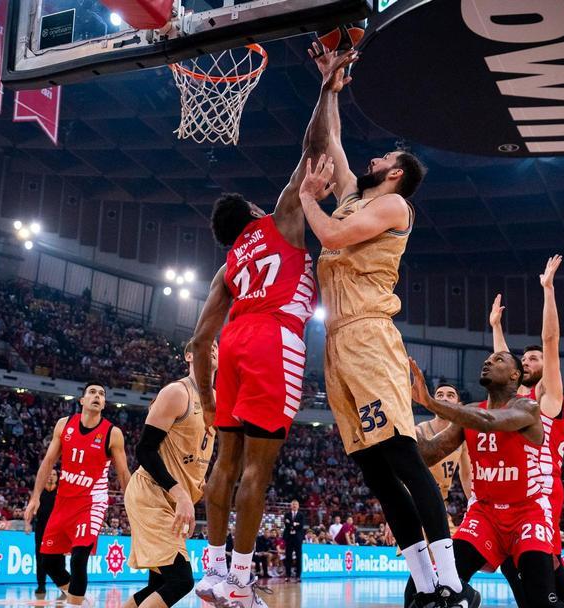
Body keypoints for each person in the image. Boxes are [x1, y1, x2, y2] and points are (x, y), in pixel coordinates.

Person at [188, 45, 357, 608]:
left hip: (234, 340)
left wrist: (209, 398)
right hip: (273, 340)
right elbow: (311, 148)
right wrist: (326, 87)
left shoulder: (228, 265)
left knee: (225, 463)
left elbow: (197, 341)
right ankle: (239, 579)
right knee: (259, 469)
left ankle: (210, 572)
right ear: (256, 213)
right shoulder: (281, 220)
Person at [298, 138, 471, 606]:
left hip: (370, 338)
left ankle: (454, 585)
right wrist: (329, 87)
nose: (372, 160)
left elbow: (331, 238)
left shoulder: (394, 204)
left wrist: (308, 199)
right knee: (374, 472)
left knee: (402, 458)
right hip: (336, 342)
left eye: (384, 160)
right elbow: (331, 143)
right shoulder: (356, 199)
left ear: (396, 173)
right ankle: (426, 586)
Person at [408, 345, 564, 608]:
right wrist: (399, 427)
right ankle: (464, 597)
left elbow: (489, 421)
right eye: (487, 360)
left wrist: (432, 402)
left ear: (515, 375)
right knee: (425, 584)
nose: (487, 363)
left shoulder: (528, 408)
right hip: (485, 514)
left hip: (528, 511)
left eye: (497, 359)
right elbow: (430, 453)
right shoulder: (469, 414)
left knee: (540, 601)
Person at [488, 257, 564, 608]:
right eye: (524, 359)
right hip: (516, 488)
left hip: (541, 491)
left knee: (538, 574)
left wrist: (548, 290)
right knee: (534, 574)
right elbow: (504, 364)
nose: (526, 362)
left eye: (533, 359)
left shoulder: (549, 396)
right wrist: (497, 327)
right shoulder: (519, 398)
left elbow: (551, 339)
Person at [124, 342, 217, 608]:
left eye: (216, 345)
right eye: (204, 344)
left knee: (159, 585)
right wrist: (180, 493)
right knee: (181, 580)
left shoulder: (218, 400)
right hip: (151, 492)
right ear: (189, 355)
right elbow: (144, 450)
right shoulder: (177, 392)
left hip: (174, 500)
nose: (211, 348)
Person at [24, 382, 130, 607]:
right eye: (92, 392)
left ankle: (75, 602)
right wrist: (35, 497)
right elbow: (48, 462)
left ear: (104, 403)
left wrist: (132, 506)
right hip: (64, 502)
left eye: (102, 394)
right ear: (82, 400)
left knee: (79, 558)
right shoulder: (64, 425)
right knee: (49, 562)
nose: (97, 396)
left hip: (92, 502)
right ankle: (79, 599)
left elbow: (122, 472)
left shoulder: (113, 433)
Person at [417, 383, 473, 514]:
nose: (444, 398)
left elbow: (466, 474)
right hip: (415, 503)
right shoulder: (419, 431)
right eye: (439, 395)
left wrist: (473, 502)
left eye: (450, 395)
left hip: (440, 504)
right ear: (432, 403)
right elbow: (403, 473)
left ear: (459, 404)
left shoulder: (461, 436)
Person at [32, 470, 58, 596]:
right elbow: (31, 508)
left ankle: (62, 585)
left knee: (59, 558)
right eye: (49, 474)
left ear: (57, 478)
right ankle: (41, 585)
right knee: (39, 556)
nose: (51, 476)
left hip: (56, 529)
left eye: (54, 474)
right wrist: (27, 524)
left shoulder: (60, 492)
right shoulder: (39, 491)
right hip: (41, 528)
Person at [282, 500, 307, 582]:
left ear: (298, 506)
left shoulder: (301, 515)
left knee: (298, 557)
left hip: (298, 538)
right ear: (290, 506)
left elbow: (301, 525)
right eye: (293, 504)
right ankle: (288, 576)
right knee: (288, 557)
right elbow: (286, 524)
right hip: (289, 538)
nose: (294, 505)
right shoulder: (287, 514)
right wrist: (295, 524)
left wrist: (292, 524)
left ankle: (298, 576)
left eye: (296, 504)